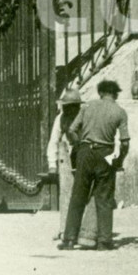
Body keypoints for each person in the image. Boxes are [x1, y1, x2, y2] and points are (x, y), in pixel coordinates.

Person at [58, 80, 129, 251]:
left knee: (78, 196)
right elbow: (125, 142)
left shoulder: (87, 107)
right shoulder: (120, 112)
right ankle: (104, 242)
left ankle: (68, 239)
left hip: (85, 152)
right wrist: (119, 159)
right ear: (115, 93)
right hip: (105, 154)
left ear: (101, 92)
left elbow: (72, 130)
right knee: (104, 197)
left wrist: (80, 146)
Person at [46, 88, 97, 246]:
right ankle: (65, 230)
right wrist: (52, 163)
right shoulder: (60, 119)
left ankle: (84, 230)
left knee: (85, 194)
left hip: (83, 156)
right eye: (67, 106)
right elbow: (54, 140)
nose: (69, 110)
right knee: (67, 195)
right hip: (67, 157)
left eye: (73, 106)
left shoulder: (85, 116)